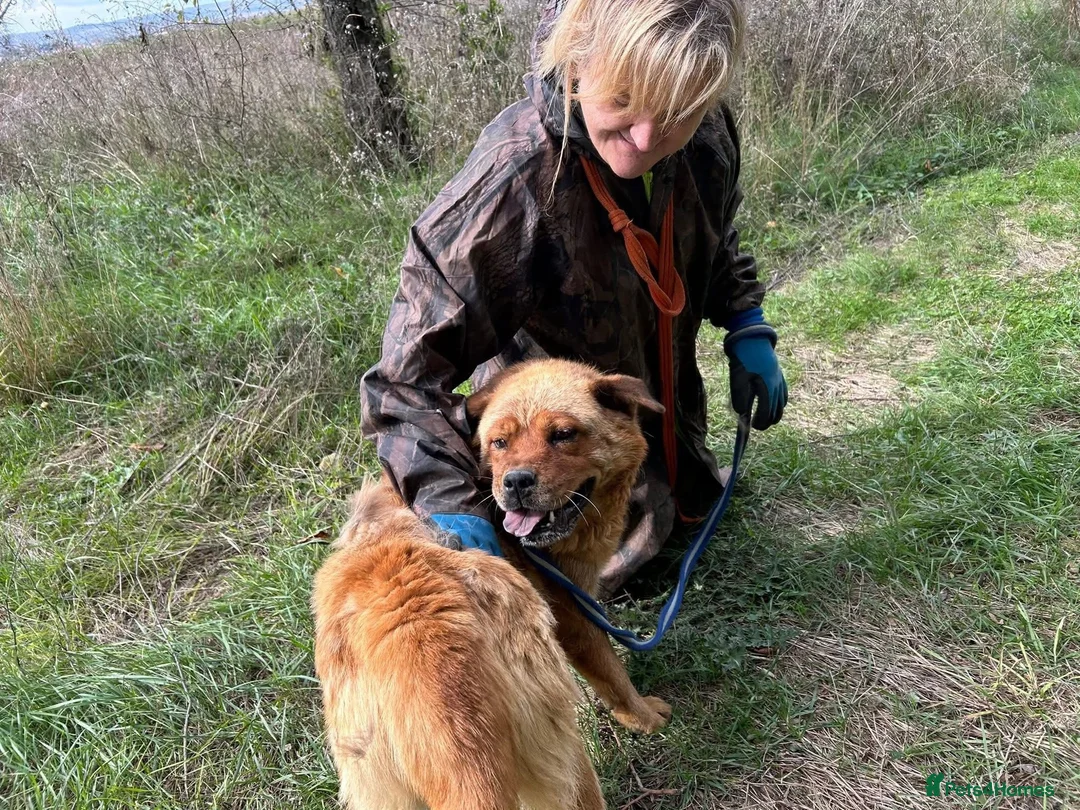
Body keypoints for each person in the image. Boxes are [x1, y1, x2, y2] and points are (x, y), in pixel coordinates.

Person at [360, 0, 787, 597]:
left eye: (674, 114)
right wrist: (452, 505)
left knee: (690, 513)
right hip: (555, 476)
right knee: (591, 585)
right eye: (621, 102)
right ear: (577, 65)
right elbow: (402, 384)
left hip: (659, 434)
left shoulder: (707, 137)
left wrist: (746, 322)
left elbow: (713, 235)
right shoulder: (515, 182)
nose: (644, 138)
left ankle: (679, 494)